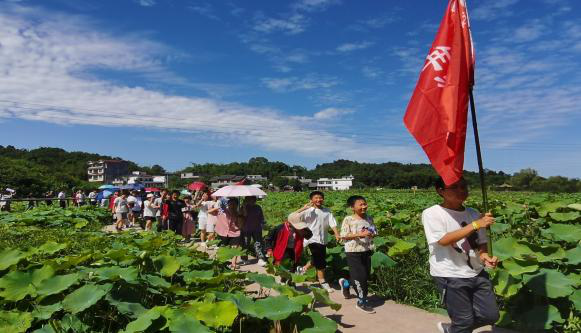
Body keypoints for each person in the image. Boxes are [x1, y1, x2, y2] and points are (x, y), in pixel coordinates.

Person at [422, 177, 499, 333]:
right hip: (450, 274)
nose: (462, 190)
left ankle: (453, 329)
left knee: (490, 316)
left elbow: (481, 241)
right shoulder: (432, 213)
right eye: (455, 187)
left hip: (477, 271)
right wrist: (476, 224)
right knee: (464, 321)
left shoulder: (473, 213)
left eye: (464, 186)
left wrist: (484, 256)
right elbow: (443, 240)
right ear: (440, 191)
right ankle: (459, 328)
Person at [290, 191, 339, 293]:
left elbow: (332, 223)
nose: (318, 200)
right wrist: (303, 208)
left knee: (317, 257)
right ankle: (322, 281)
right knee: (320, 260)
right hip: (311, 238)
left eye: (320, 198)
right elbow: (292, 217)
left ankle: (303, 269)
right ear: (311, 200)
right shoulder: (308, 210)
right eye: (316, 198)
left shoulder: (327, 211)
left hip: (323, 238)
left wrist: (336, 234)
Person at [339, 195, 377, 314]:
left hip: (366, 250)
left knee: (364, 275)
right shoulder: (348, 219)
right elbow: (343, 235)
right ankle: (361, 301)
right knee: (361, 277)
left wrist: (372, 233)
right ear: (352, 207)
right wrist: (359, 235)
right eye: (360, 205)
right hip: (353, 251)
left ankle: (345, 283)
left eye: (364, 204)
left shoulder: (369, 218)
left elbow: (374, 231)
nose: (364, 206)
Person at [215, 197, 243, 270]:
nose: (233, 206)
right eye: (231, 204)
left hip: (235, 233)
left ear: (237, 205)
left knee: (235, 248)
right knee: (223, 249)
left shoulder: (238, 213)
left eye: (235, 204)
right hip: (222, 233)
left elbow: (240, 225)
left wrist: (240, 215)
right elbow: (211, 212)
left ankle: (233, 263)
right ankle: (219, 262)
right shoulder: (222, 211)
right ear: (228, 204)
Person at [240, 196, 267, 266]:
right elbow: (243, 216)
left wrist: (263, 224)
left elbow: (261, 217)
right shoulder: (243, 207)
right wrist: (244, 207)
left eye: (254, 200)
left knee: (258, 244)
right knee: (245, 244)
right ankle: (244, 258)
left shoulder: (258, 207)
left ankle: (260, 259)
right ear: (247, 200)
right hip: (246, 229)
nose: (253, 201)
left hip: (257, 228)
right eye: (250, 199)